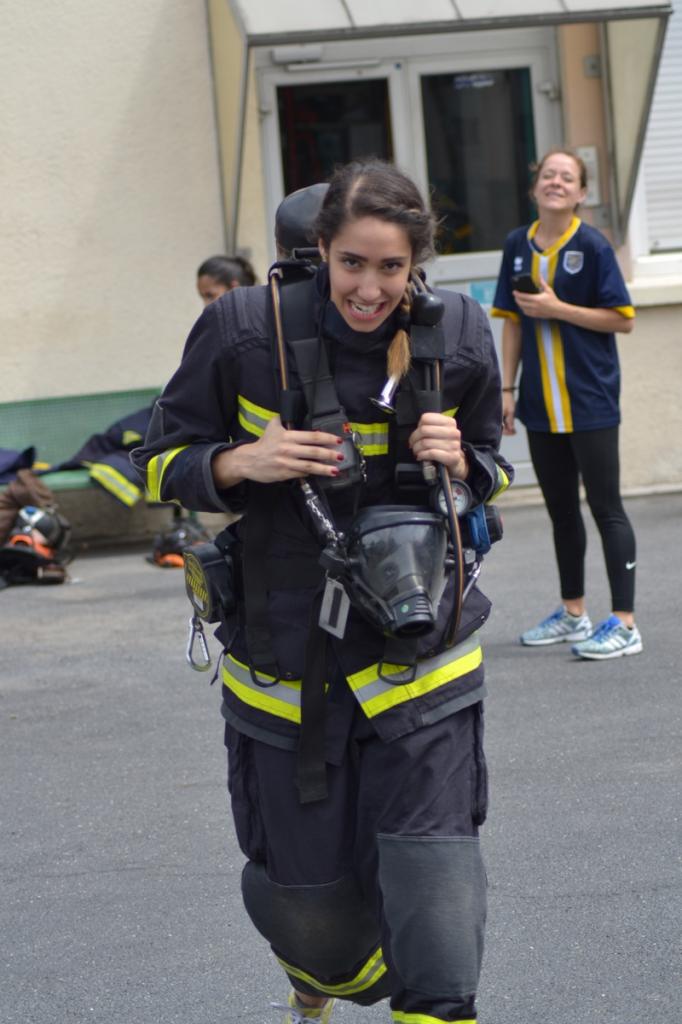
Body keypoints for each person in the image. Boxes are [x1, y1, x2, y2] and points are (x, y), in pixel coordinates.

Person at [132, 159, 513, 1024]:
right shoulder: (239, 330)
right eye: (351, 264)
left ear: (418, 262)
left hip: (423, 668)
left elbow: (492, 469)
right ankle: (321, 981)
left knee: (437, 917)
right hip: (284, 671)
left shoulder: (458, 332)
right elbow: (152, 461)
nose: (369, 289)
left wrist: (463, 461)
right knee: (314, 923)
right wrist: (239, 461)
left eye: (390, 268)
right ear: (320, 251)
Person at [491, 147, 642, 660]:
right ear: (536, 187)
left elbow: (622, 318)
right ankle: (574, 613)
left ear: (581, 193)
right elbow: (511, 322)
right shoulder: (516, 244)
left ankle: (624, 622)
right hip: (539, 405)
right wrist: (506, 391)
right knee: (561, 512)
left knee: (606, 509)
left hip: (591, 400)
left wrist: (559, 309)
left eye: (568, 177)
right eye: (548, 175)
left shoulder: (593, 246)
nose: (556, 182)